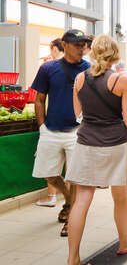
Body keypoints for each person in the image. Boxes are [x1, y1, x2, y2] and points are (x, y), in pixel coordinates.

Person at [66, 35, 127, 264]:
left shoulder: (80, 78)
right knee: (120, 198)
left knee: (81, 199)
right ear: (115, 55)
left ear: (93, 53)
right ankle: (124, 242)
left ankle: (73, 258)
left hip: (86, 145)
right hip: (115, 146)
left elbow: (77, 115)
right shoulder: (120, 81)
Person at [31, 29, 91, 237]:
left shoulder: (89, 68)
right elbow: (39, 99)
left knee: (74, 177)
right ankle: (67, 198)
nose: (82, 48)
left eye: (84, 44)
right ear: (64, 45)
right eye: (77, 44)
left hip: (77, 131)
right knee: (47, 173)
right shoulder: (48, 68)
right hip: (51, 129)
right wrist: (42, 126)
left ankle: (72, 214)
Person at [35, 38, 65, 207]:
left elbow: (38, 99)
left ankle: (54, 196)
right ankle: (69, 201)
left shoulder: (47, 68)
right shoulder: (78, 68)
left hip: (52, 123)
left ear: (53, 48)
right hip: (71, 125)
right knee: (70, 167)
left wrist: (42, 125)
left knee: (49, 166)